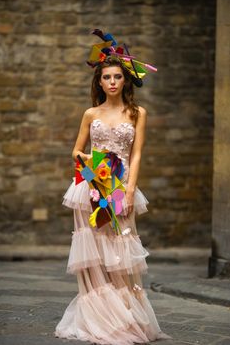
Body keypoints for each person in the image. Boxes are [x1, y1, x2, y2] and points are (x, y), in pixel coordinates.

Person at [54, 30, 172, 344]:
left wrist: (130, 189)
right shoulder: (90, 113)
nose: (112, 82)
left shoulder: (137, 114)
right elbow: (75, 151)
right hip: (91, 185)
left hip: (120, 186)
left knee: (121, 247)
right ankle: (97, 317)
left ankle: (124, 316)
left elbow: (137, 154)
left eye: (117, 76)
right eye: (106, 77)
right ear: (100, 82)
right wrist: (95, 165)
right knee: (91, 248)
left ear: (125, 80)